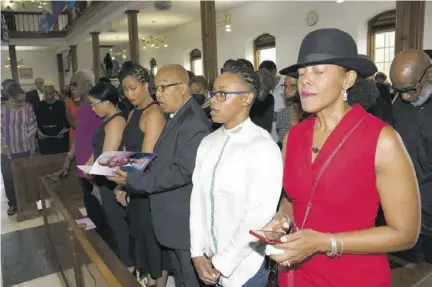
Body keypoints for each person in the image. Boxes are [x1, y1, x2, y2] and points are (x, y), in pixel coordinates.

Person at [264, 28, 420, 287]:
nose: (304, 81)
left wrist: (327, 242)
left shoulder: (381, 139)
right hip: (296, 273)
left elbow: (405, 234)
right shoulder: (294, 137)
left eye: (318, 71)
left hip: (352, 276)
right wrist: (282, 219)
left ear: (347, 79)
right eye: (301, 73)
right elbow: (294, 199)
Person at [112, 64, 212, 287]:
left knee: (189, 278)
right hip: (171, 219)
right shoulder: (177, 115)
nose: (159, 94)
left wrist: (134, 179)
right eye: (157, 88)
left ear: (184, 88)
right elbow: (160, 157)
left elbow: (183, 172)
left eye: (165, 88)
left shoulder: (193, 122)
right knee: (181, 276)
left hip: (182, 220)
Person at [190, 65, 283, 286]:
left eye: (222, 94)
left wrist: (221, 262)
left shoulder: (262, 146)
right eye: (213, 93)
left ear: (246, 98)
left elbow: (258, 217)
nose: (212, 100)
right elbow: (197, 200)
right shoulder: (208, 142)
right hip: (208, 257)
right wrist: (197, 252)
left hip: (244, 268)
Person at [113, 61, 169, 286]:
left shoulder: (154, 113)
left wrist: (122, 180)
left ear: (147, 85)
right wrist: (120, 184)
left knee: (153, 245)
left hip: (149, 188)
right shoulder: (133, 112)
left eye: (133, 88)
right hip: (135, 185)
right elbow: (128, 151)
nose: (129, 94)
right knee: (141, 241)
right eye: (125, 89)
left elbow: (146, 157)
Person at [390, 49, 432, 264]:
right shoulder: (397, 105)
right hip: (405, 214)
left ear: (430, 74)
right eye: (400, 90)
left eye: (411, 89)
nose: (406, 96)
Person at [86, 81, 132, 267]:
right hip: (103, 179)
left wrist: (93, 168)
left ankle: (128, 267)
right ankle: (122, 262)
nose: (92, 108)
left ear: (106, 102)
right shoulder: (107, 121)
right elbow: (97, 150)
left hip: (112, 181)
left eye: (94, 104)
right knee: (113, 225)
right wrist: (88, 166)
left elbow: (108, 158)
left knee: (119, 226)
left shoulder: (117, 122)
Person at [1, 81, 37, 215]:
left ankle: (25, 202)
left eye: (22, 101)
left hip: (24, 148)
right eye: (17, 101)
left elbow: (32, 128)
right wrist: (3, 144)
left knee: (24, 177)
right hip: (7, 150)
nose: (20, 104)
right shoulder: (3, 109)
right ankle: (13, 204)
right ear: (10, 98)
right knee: (9, 178)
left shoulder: (28, 108)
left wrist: (32, 149)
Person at [35, 81, 72, 155]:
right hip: (45, 141)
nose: (49, 96)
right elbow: (35, 123)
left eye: (51, 93)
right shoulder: (39, 106)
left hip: (60, 140)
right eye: (46, 94)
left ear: (54, 92)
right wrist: (38, 133)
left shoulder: (62, 104)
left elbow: (69, 123)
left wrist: (64, 131)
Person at [276, 76, 301, 146]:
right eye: (285, 86)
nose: (286, 90)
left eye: (292, 86)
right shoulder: (282, 114)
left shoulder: (312, 114)